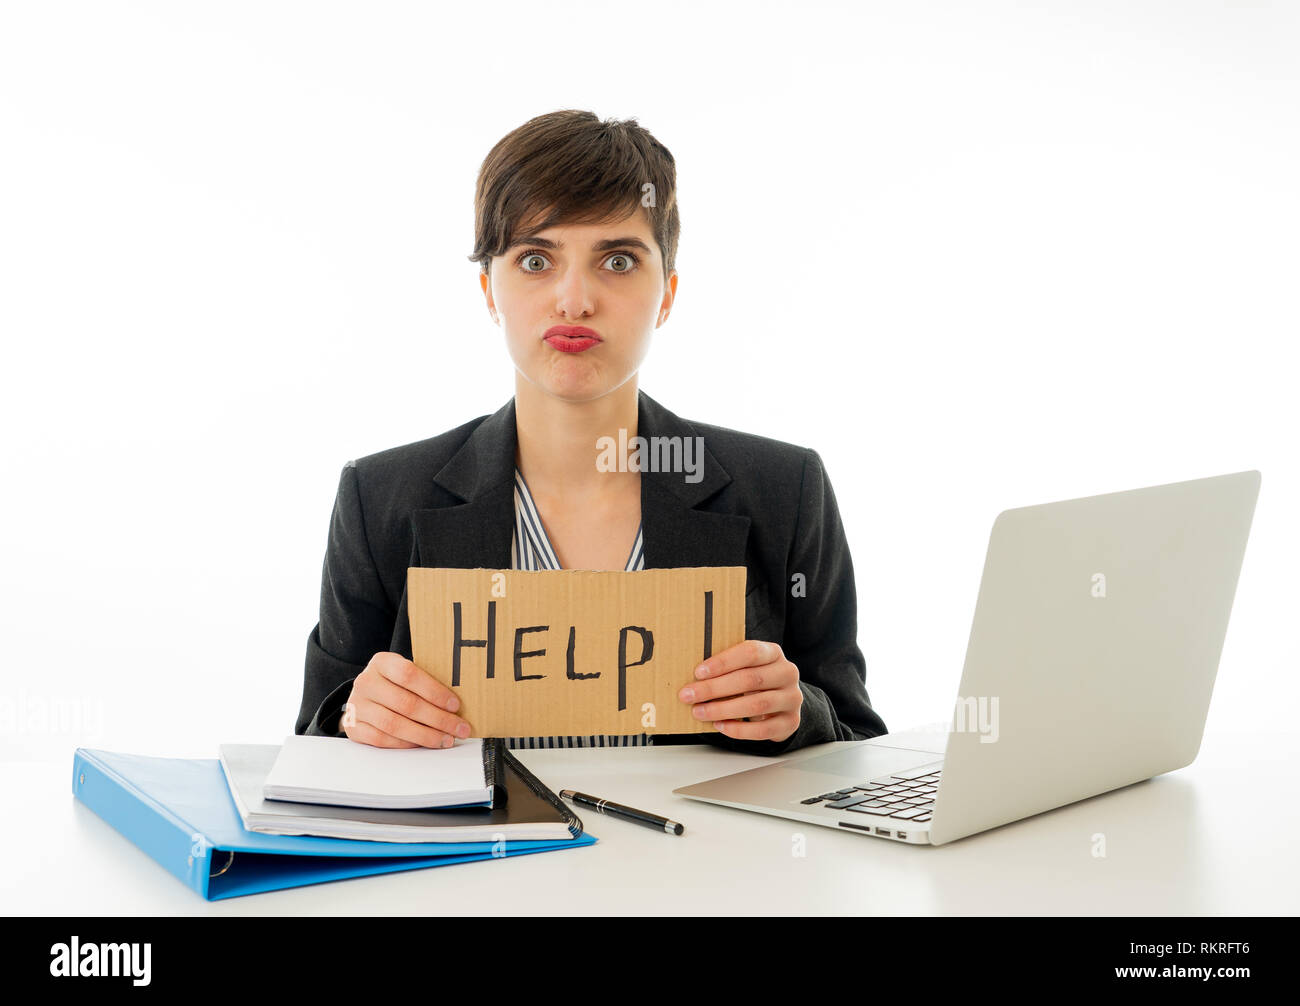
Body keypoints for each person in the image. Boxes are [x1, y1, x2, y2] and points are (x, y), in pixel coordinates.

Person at [294, 109, 888, 756]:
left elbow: (856, 739)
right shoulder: (380, 497)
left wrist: (798, 711)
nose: (574, 299)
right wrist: (354, 716)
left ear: (668, 293)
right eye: (535, 259)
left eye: (619, 260)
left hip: (702, 860)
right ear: (489, 291)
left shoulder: (784, 489)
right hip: (482, 862)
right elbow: (314, 742)